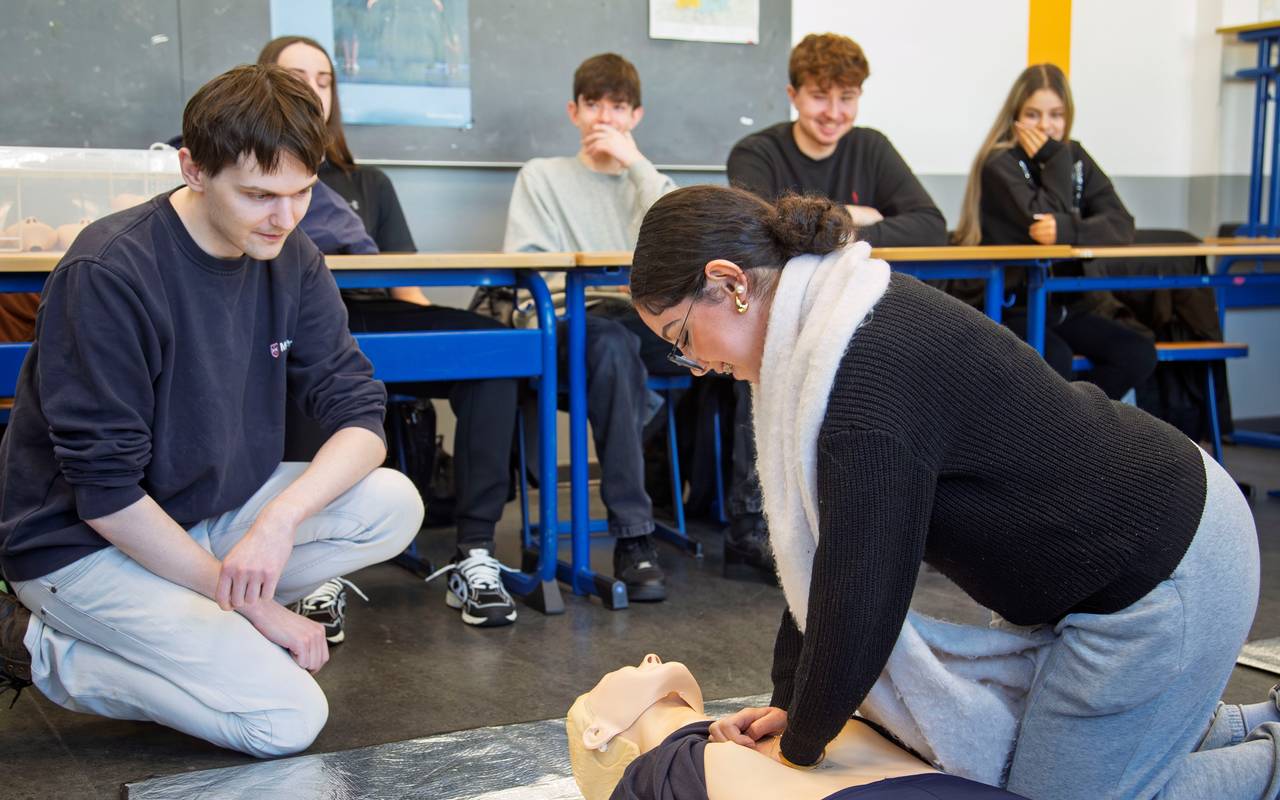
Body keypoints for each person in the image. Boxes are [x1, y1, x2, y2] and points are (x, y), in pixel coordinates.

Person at [627, 184, 1278, 799]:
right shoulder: (830, 329)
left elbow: (862, 591)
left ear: (730, 283)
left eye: (682, 339)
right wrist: (791, 702)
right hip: (1117, 550)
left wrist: (798, 749)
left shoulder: (859, 376)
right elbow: (820, 559)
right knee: (1053, 752)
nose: (698, 364)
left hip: (1163, 569)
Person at [0, 64, 424, 756]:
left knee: (391, 502)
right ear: (193, 169)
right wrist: (255, 607)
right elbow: (104, 497)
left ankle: (189, 616)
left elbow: (359, 416)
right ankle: (39, 650)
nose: (284, 218)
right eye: (259, 195)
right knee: (285, 720)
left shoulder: (293, 255)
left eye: (301, 193)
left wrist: (277, 524)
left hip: (201, 517)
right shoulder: (110, 272)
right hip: (80, 547)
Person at [259, 36, 522, 629]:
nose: (312, 90)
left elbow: (405, 280)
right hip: (302, 318)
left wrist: (445, 338)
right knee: (299, 360)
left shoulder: (368, 182)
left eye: (324, 80)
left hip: (377, 311)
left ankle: (476, 551)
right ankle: (314, 571)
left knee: (492, 349)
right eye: (296, 76)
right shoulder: (251, 176)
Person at [722, 32, 947, 579]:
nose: (834, 112)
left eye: (847, 97)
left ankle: (869, 514)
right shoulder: (757, 152)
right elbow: (764, 234)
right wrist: (857, 219)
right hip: (778, 311)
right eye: (821, 96)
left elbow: (931, 224)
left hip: (857, 310)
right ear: (793, 94)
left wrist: (841, 223)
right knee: (763, 357)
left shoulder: (870, 146)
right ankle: (751, 523)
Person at [500, 52, 678, 602]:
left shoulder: (648, 181)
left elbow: (685, 237)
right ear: (573, 112)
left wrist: (637, 164)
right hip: (569, 320)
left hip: (642, 316)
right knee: (612, 346)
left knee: (731, 338)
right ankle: (633, 536)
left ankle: (749, 525)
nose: (605, 118)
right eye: (594, 105)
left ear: (636, 116)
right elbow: (530, 264)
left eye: (618, 108)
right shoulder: (543, 176)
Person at [952, 63, 1157, 400]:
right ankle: (1059, 440)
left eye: (1056, 115)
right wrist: (1055, 159)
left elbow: (1121, 224)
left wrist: (1068, 228)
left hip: (1066, 304)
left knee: (1137, 352)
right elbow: (1040, 223)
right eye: (1033, 115)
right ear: (1015, 117)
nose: (1046, 126)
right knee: (1055, 360)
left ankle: (1083, 433)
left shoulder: (1074, 156)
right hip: (1012, 306)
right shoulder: (999, 163)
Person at [567, 654, 1031, 799]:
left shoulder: (827, 720)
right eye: (629, 669)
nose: (649, 657)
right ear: (599, 735)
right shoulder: (666, 775)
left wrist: (794, 704)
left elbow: (818, 583)